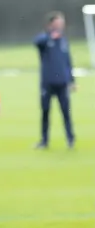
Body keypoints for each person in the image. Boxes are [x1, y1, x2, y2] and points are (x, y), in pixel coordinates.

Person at [33, 11, 76, 149]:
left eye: (61, 23)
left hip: (62, 83)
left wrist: (72, 80)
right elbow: (36, 42)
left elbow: (68, 61)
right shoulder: (45, 40)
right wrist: (50, 35)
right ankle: (44, 141)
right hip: (48, 83)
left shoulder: (63, 41)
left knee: (66, 112)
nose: (60, 25)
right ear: (51, 24)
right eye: (57, 22)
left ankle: (70, 139)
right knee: (45, 112)